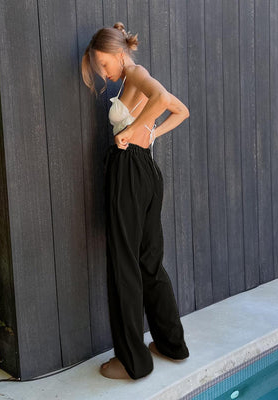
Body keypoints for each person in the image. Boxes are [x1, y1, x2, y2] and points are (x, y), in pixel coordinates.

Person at [81, 22, 190, 381]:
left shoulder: (137, 72)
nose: (104, 72)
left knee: (125, 265)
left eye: (104, 64)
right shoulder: (133, 79)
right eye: (99, 68)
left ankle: (132, 362)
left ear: (118, 52)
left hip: (129, 172)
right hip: (145, 171)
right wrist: (151, 131)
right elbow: (180, 109)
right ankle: (171, 343)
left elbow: (161, 99)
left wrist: (131, 130)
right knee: (148, 262)